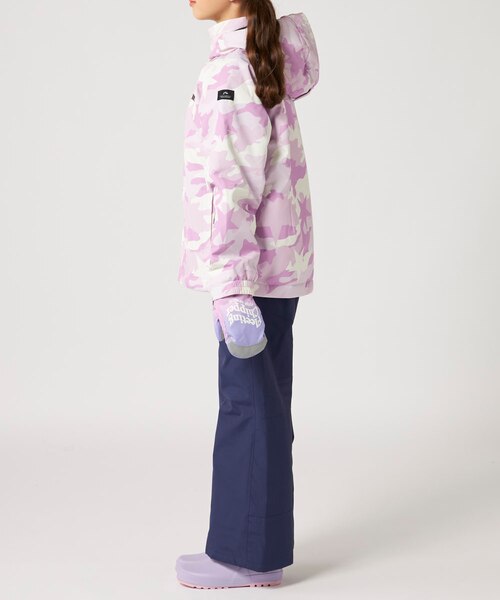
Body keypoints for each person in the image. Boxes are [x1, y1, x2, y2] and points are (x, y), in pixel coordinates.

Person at [175, 0, 319, 589]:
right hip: (275, 266)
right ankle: (262, 548)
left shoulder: (232, 71)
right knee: (266, 405)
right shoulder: (259, 60)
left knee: (247, 405)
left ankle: (246, 557)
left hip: (250, 275)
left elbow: (228, 186)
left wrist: (230, 287)